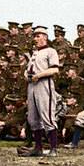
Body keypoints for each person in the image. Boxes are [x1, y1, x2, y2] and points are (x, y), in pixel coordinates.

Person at [20, 26, 61, 157]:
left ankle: (54, 148)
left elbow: (55, 69)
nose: (35, 39)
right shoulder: (34, 53)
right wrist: (27, 75)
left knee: (47, 115)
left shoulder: (51, 51)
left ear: (45, 37)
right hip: (32, 85)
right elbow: (28, 70)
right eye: (35, 36)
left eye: (38, 36)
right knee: (33, 118)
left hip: (44, 84)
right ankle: (38, 148)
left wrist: (39, 75)